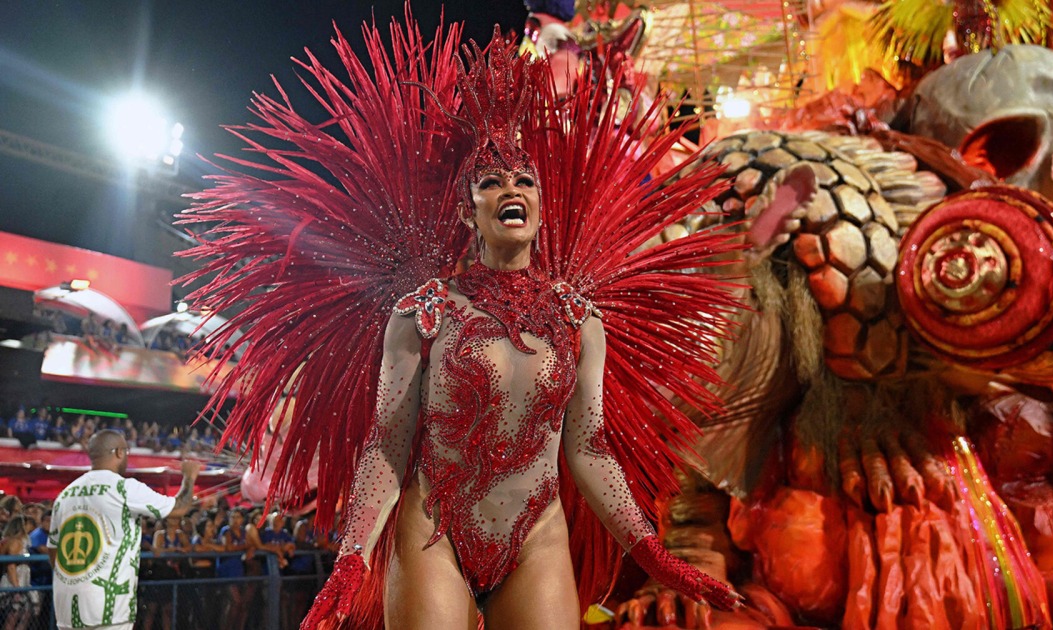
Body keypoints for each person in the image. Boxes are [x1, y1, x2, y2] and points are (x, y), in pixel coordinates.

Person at [183, 19, 744, 630]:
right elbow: (388, 445)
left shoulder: (579, 320)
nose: (511, 190)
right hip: (435, 531)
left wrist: (654, 553)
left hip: (537, 536)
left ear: (539, 205)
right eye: (491, 182)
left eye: (524, 181)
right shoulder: (423, 313)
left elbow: (588, 448)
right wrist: (351, 558)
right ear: (466, 209)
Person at [47, 430, 199, 630]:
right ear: (119, 452)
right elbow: (179, 508)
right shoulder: (125, 488)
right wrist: (189, 477)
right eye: (127, 451)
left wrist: (78, 578)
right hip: (107, 610)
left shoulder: (65, 494)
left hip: (67, 609)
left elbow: (54, 550)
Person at [1, 514, 36, 630]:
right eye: (28, 523)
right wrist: (16, 587)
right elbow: (11, 565)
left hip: (23, 580)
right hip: (15, 581)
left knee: (25, 614)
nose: (31, 526)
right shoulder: (15, 542)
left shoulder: (23, 541)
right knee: (13, 616)